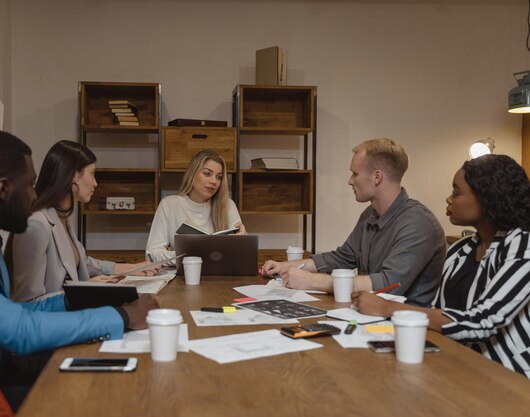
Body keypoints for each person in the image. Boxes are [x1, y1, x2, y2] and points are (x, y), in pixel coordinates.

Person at [0, 131, 159, 412]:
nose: (36, 195)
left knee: (114, 385)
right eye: (30, 185)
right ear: (4, 188)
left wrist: (77, 299)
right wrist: (123, 316)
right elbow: (19, 329)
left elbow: (13, 312)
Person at [353, 154, 530, 377]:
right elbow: (438, 311)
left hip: (509, 376)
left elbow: (481, 322)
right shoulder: (461, 249)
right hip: (457, 364)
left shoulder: (522, 246)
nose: (449, 199)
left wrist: (386, 307)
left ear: (487, 198)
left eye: (456, 192)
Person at [263, 138, 446, 306]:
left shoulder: (418, 224)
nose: (350, 181)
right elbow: (341, 258)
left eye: (355, 174)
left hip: (404, 327)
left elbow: (388, 284)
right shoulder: (370, 214)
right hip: (368, 316)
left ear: (377, 177)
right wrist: (286, 266)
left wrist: (312, 281)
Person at [7, 140, 157, 302]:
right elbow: (28, 302)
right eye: (92, 173)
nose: (95, 183)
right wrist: (85, 289)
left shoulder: (61, 217)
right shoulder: (36, 224)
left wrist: (128, 268)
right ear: (73, 176)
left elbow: (81, 263)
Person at [146, 149, 246, 262]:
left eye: (219, 177)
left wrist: (242, 242)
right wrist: (191, 257)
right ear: (192, 174)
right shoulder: (169, 205)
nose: (214, 181)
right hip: (183, 275)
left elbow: (241, 256)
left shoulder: (228, 205)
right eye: (207, 174)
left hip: (220, 276)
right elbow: (152, 254)